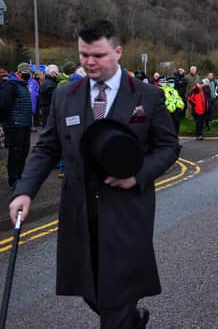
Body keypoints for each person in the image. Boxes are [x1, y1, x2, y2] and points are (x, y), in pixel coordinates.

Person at [8, 19, 179, 328]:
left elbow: (168, 147)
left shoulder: (146, 96)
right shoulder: (65, 95)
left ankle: (123, 317)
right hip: (79, 209)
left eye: (97, 55)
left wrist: (138, 175)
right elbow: (47, 148)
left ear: (117, 52)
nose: (89, 62)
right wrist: (24, 191)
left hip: (126, 211)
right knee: (89, 288)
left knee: (116, 292)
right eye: (84, 54)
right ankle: (131, 319)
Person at [0, 62, 34, 190]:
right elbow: (4, 105)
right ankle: (13, 179)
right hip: (14, 124)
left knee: (24, 151)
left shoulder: (23, 85)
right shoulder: (12, 85)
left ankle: (20, 175)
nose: (28, 74)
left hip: (24, 124)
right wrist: (5, 123)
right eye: (25, 72)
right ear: (19, 73)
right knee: (15, 153)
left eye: (29, 72)